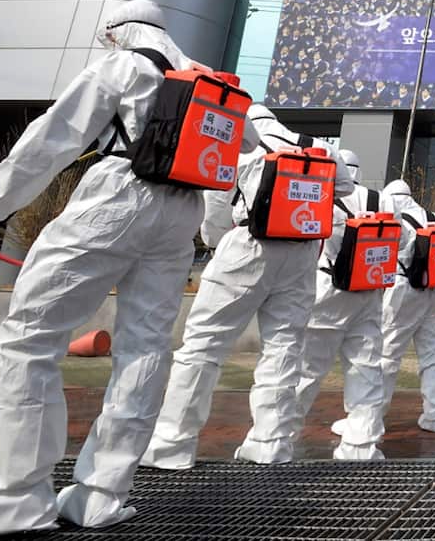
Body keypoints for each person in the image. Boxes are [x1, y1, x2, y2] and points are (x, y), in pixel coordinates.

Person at [0, 0, 258, 534]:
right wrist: (212, 233)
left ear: (116, 32)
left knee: (28, 339)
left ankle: (17, 499)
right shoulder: (208, 84)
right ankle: (102, 495)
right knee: (147, 346)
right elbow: (241, 154)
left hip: (117, 195)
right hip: (181, 211)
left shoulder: (122, 66)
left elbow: (50, 139)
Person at [142, 105, 350, 470]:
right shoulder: (321, 147)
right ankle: (270, 442)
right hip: (301, 254)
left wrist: (217, 241)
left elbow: (215, 212)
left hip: (248, 245)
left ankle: (172, 443)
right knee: (284, 347)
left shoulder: (242, 148)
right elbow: (346, 187)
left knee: (204, 345)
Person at [292, 149, 391, 459]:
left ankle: (280, 436)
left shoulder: (320, 192)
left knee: (307, 369)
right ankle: (361, 446)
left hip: (327, 287)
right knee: (365, 368)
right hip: (369, 290)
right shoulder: (382, 200)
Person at [364, 179, 435, 433]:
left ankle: (370, 420)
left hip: (403, 289)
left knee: (388, 354)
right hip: (434, 289)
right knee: (432, 353)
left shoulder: (396, 219)